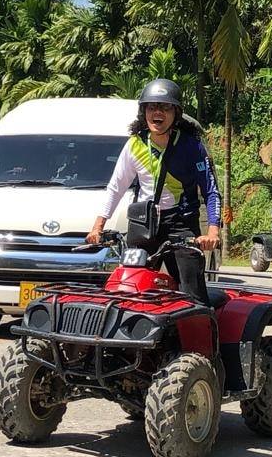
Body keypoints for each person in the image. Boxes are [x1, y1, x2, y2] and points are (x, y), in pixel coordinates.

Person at [87, 79, 221, 305]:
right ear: (144, 112)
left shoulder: (191, 146)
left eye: (165, 107)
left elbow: (211, 191)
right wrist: (98, 226)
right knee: (129, 288)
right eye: (151, 107)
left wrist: (213, 233)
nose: (157, 112)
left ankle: (196, 340)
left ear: (176, 113)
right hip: (143, 225)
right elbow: (116, 187)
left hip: (182, 225)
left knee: (192, 294)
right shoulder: (135, 144)